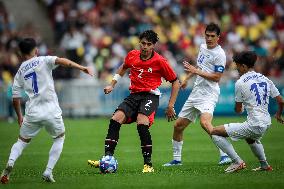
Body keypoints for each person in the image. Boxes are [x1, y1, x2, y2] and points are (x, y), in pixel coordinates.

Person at [0, 38, 93, 184]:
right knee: (59, 138)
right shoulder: (44, 59)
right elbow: (64, 61)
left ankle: (10, 162)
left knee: (21, 141)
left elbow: (15, 98)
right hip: (51, 110)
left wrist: (19, 116)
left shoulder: (19, 72)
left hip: (32, 112)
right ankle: (48, 172)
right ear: (35, 50)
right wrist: (81, 67)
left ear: (20, 53)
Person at [87, 30, 180, 173]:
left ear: (153, 46)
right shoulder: (132, 55)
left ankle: (148, 165)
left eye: (149, 44)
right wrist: (112, 84)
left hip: (150, 96)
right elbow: (123, 68)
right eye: (143, 43)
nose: (145, 47)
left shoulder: (160, 61)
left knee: (142, 122)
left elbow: (175, 82)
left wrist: (171, 105)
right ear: (139, 43)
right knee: (115, 119)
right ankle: (107, 158)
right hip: (134, 95)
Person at [163, 23, 232, 167]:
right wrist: (187, 79)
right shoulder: (202, 47)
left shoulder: (220, 54)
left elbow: (217, 77)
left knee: (205, 123)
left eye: (213, 36)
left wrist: (196, 72)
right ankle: (176, 160)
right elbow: (199, 67)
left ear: (218, 37)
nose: (209, 38)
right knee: (178, 126)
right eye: (207, 35)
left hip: (209, 93)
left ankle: (226, 155)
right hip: (196, 92)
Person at [209, 51, 284, 173]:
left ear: (243, 66)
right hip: (266, 122)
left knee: (214, 132)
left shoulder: (240, 82)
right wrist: (278, 114)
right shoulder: (265, 79)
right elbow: (281, 101)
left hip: (254, 124)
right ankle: (264, 165)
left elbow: (238, 110)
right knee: (251, 138)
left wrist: (241, 107)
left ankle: (237, 161)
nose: (237, 68)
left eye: (237, 66)